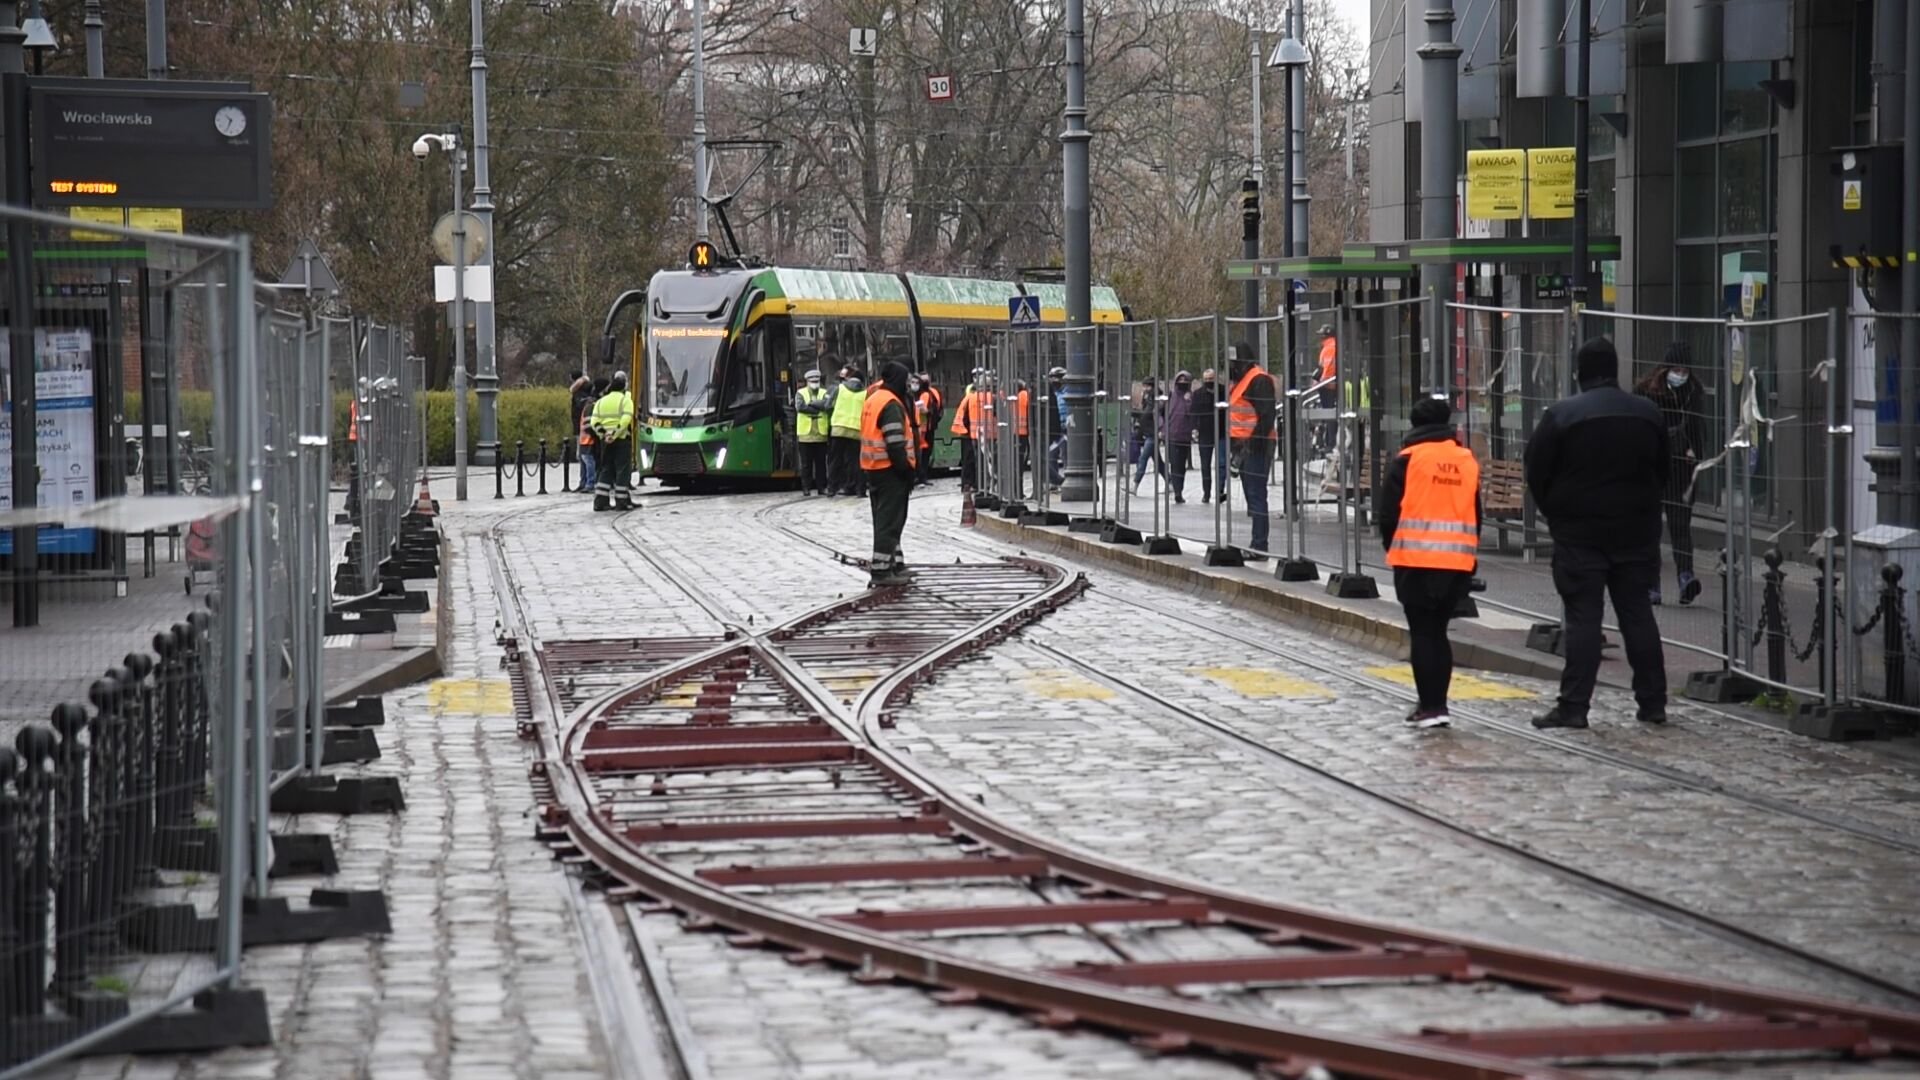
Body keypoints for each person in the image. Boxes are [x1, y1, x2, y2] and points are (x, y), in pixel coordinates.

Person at [1524, 336, 1671, 730]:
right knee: (1638, 615)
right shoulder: (1647, 414)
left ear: (1579, 372)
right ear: (1615, 368)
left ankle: (1574, 706)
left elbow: (1536, 471)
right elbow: (1664, 472)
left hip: (1580, 533)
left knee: (1584, 620)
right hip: (1636, 532)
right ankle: (1653, 702)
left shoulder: (1562, 415)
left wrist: (1556, 514)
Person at [1377, 398, 1482, 728]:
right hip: (1457, 560)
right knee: (1440, 632)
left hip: (1415, 560)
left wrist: (1393, 548)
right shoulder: (1466, 461)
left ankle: (1430, 706)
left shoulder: (1407, 460)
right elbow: (1476, 513)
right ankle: (1440, 705)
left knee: (1422, 633)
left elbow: (1387, 515)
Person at [1633, 343, 1708, 606]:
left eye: (1684, 369)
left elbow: (1700, 429)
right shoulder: (1645, 392)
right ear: (1665, 369)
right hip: (1652, 468)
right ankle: (1652, 585)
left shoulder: (1693, 392)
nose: (1680, 373)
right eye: (1676, 369)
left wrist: (1697, 457)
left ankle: (1685, 577)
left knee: (1680, 526)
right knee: (1650, 528)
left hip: (1681, 469)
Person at [862, 361, 919, 587]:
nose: (908, 386)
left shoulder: (874, 398)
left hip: (873, 468)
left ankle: (894, 564)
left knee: (884, 518)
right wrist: (905, 469)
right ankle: (882, 570)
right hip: (890, 470)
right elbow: (895, 442)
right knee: (890, 520)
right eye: (905, 381)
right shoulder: (891, 404)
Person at [1226, 342, 1278, 553]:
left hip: (1256, 446)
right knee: (1252, 495)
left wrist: (1252, 443)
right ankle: (1257, 543)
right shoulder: (1241, 381)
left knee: (1256, 495)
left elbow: (1266, 415)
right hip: (1243, 446)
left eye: (1233, 362)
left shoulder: (1258, 380)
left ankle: (1259, 544)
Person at [589, 371, 637, 512]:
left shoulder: (600, 401)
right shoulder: (625, 400)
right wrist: (615, 434)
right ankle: (621, 501)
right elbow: (626, 419)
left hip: (606, 442)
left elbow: (594, 422)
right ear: (623, 388)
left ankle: (600, 501)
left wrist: (604, 435)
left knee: (606, 469)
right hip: (622, 440)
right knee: (622, 470)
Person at [827, 370, 868, 497]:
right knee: (856, 461)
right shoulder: (865, 393)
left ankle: (832, 488)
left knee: (835, 460)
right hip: (856, 430)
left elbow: (828, 405)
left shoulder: (839, 388)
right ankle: (859, 489)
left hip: (838, 428)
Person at [1190, 368, 1225, 503]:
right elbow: (1193, 413)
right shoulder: (1198, 394)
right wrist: (1194, 429)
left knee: (1221, 464)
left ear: (1215, 379)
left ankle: (1220, 491)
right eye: (1206, 380)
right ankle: (1207, 493)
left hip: (1221, 433)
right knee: (1205, 465)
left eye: (1211, 379)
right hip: (1205, 434)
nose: (1209, 382)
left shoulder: (1223, 392)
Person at [794, 369, 832, 495]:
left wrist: (811, 404)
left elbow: (826, 405)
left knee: (821, 464)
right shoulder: (801, 393)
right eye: (812, 381)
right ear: (807, 381)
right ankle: (806, 487)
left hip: (821, 435)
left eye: (817, 381)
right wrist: (816, 409)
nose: (815, 383)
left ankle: (822, 487)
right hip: (805, 435)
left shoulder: (824, 392)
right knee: (806, 465)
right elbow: (800, 407)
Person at [1164, 370, 1195, 504]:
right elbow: (1160, 413)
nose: (1182, 384)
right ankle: (1177, 491)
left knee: (1181, 466)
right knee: (1174, 464)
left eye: (1185, 382)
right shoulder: (1170, 396)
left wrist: (1188, 401)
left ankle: (1179, 490)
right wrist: (1162, 428)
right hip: (1171, 435)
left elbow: (1192, 415)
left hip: (1185, 436)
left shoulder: (1191, 397)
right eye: (1180, 381)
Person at [1129, 376, 1165, 494]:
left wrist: (1134, 414)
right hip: (1151, 432)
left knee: (1143, 458)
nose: (1143, 389)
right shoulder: (1153, 397)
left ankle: (1135, 484)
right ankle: (1170, 482)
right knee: (1158, 461)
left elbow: (1146, 414)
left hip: (1152, 433)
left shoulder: (1152, 397)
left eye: (1145, 386)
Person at [950, 369, 981, 491]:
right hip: (968, 433)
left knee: (971, 460)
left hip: (970, 432)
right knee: (969, 459)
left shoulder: (971, 397)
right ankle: (968, 483)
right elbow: (966, 417)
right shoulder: (971, 397)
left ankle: (970, 483)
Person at [570, 372, 598, 494]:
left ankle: (588, 482)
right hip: (585, 430)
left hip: (584, 432)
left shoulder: (580, 397)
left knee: (585, 457)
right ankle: (586, 482)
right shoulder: (589, 396)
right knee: (585, 457)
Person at [1314, 325, 1339, 454]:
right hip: (1329, 385)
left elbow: (1327, 368)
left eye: (1321, 335)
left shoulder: (1329, 347)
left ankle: (1331, 443)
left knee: (1329, 415)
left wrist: (1321, 382)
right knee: (1329, 415)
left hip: (1329, 386)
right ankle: (1329, 441)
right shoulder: (1329, 346)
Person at [914, 373, 943, 487]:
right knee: (922, 453)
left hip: (926, 427)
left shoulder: (929, 393)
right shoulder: (922, 394)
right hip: (922, 428)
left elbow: (937, 409)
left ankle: (922, 476)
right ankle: (920, 476)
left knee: (924, 453)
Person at [1045, 366, 1068, 491]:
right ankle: (1054, 482)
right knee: (1051, 455)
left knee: (1066, 454)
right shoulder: (1051, 393)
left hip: (1066, 428)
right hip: (1055, 428)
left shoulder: (1069, 392)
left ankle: (1068, 479)